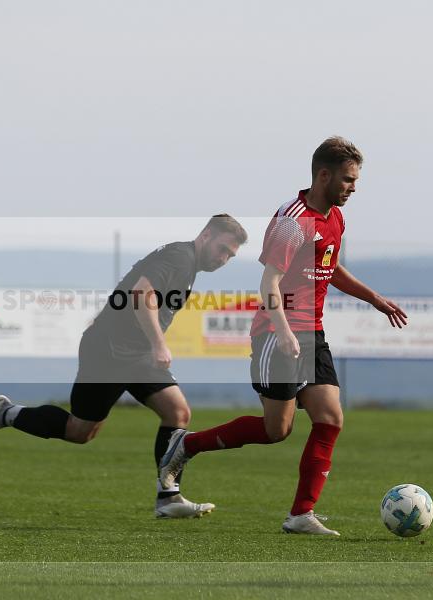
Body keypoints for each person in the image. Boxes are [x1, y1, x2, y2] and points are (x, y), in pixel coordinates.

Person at [159, 137, 408, 535]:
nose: (353, 187)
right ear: (323, 175)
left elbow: (331, 266)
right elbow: (269, 281)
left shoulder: (335, 218)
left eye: (356, 180)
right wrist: (283, 329)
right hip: (279, 333)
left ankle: (301, 515)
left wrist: (373, 298)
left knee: (330, 418)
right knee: (277, 430)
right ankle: (186, 446)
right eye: (347, 179)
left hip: (312, 331)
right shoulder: (293, 221)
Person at [0, 215, 248, 518]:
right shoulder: (180, 257)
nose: (224, 259)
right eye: (222, 250)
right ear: (206, 235)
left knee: (177, 412)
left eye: (230, 256)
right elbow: (141, 294)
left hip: (133, 354)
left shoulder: (188, 263)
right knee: (80, 431)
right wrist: (158, 343)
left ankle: (169, 497)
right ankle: (5, 413)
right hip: (110, 352)